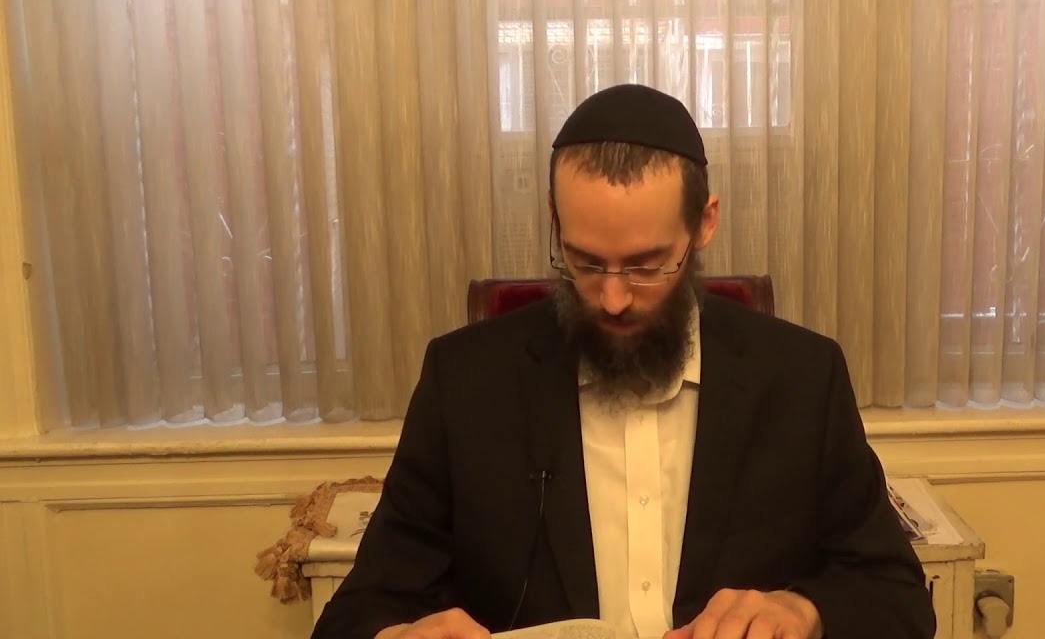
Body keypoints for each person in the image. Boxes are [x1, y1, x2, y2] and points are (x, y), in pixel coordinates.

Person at [312, 84, 935, 639]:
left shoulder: (803, 378)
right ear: (554, 222)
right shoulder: (466, 383)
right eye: (585, 263)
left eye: (646, 265)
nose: (613, 299)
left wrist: (803, 611)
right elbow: (357, 612)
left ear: (704, 224)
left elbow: (897, 597)